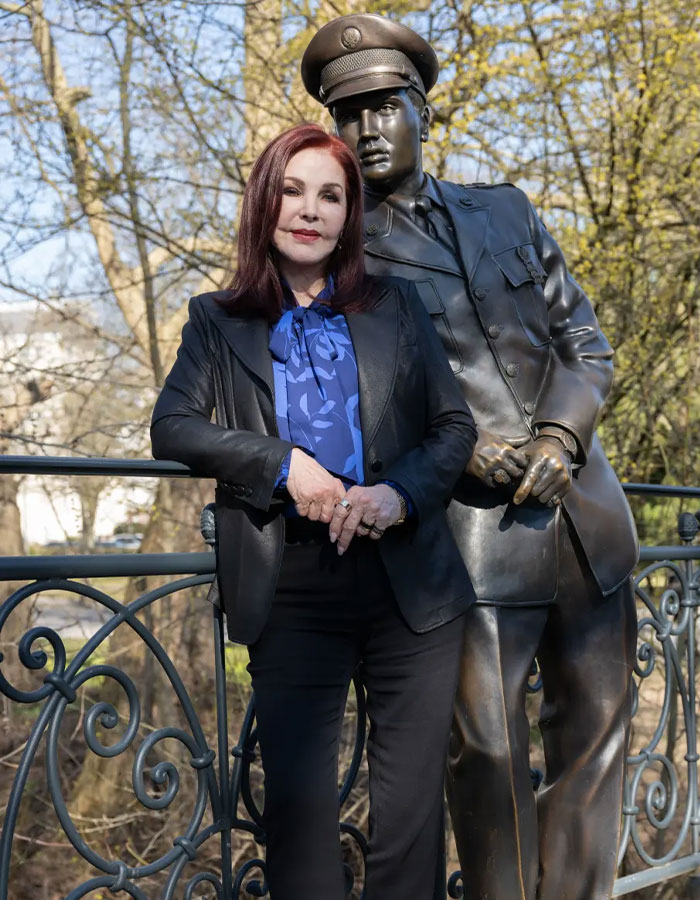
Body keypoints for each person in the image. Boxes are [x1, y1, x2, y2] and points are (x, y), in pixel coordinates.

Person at [301, 16, 640, 900]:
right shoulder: (335, 255)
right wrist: (470, 452)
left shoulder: (506, 209)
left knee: (597, 736)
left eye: (385, 107)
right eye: (350, 115)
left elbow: (586, 344)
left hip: (586, 525)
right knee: (487, 752)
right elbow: (345, 408)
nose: (368, 129)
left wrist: (563, 438)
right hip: (465, 541)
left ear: (421, 111)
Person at [150, 123, 478, 900]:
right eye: (293, 190)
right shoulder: (215, 319)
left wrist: (397, 495)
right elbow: (173, 426)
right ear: (266, 202)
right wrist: (282, 465)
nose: (311, 209)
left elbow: (454, 428)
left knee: (408, 824)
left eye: (331, 195)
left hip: (412, 591)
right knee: (297, 823)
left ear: (348, 216)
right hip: (287, 584)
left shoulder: (398, 307)